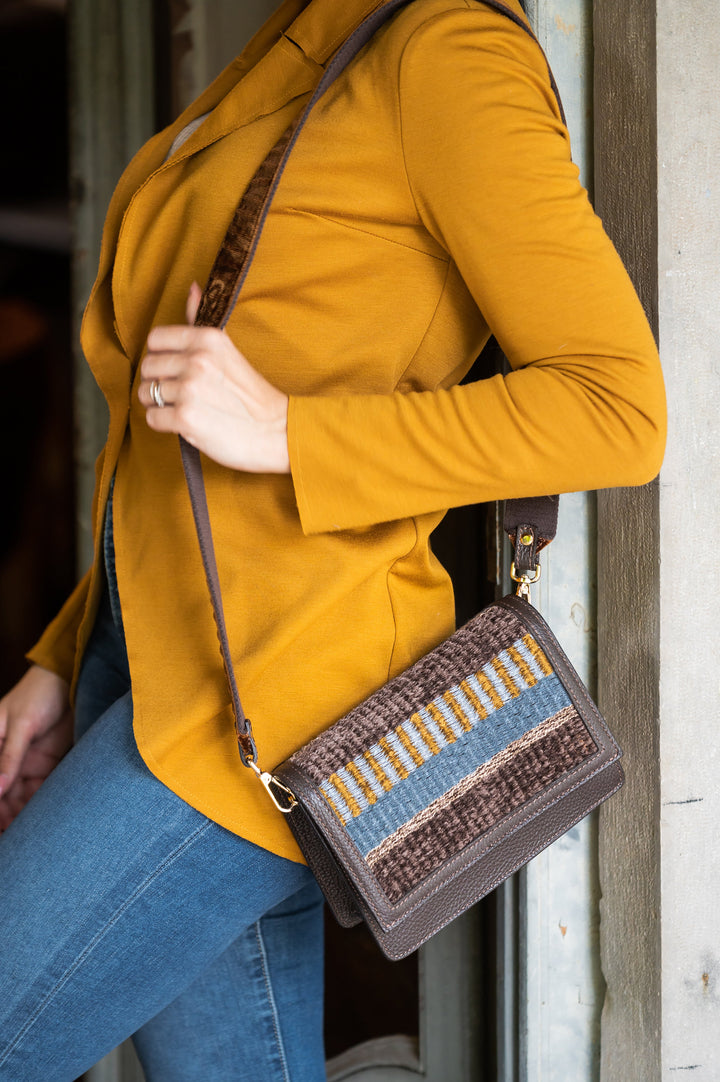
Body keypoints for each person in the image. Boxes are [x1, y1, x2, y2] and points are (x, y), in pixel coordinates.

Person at [0, 0, 665, 1078]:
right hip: (162, 673)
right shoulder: (307, 35)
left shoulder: (448, 53)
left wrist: (289, 428)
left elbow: (616, 407)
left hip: (268, 705)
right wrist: (62, 653)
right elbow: (165, 436)